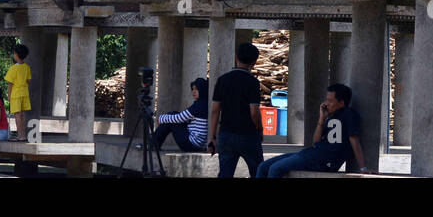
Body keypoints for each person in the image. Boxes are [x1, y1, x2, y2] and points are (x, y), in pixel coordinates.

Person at [256, 83, 369, 177]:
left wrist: (363, 167)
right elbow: (316, 142)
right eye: (326, 99)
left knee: (275, 169)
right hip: (311, 154)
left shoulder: (350, 115)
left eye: (330, 101)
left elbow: (354, 140)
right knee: (263, 167)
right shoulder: (330, 116)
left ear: (341, 103)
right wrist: (321, 119)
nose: (326, 103)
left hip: (324, 160)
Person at [208, 42, 263, 177]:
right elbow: (254, 112)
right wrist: (260, 129)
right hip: (248, 135)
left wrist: (212, 137)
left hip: (226, 134)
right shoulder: (253, 82)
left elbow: (215, 110)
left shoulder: (222, 80)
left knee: (225, 173)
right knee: (258, 172)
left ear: (236, 57)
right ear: (254, 62)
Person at [153, 77, 209, 151]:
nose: (193, 92)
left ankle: (153, 144)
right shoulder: (205, 103)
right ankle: (153, 143)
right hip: (197, 143)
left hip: (191, 144)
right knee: (172, 115)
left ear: (202, 89)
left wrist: (161, 118)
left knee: (171, 120)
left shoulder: (199, 106)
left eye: (196, 89)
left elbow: (179, 118)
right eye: (193, 89)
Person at [3, 43, 32, 140]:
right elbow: (28, 81)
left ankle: (20, 136)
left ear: (16, 54)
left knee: (17, 115)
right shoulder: (27, 67)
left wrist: (9, 95)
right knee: (23, 115)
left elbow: (10, 84)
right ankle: (23, 135)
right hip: (25, 93)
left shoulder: (13, 68)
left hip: (15, 94)